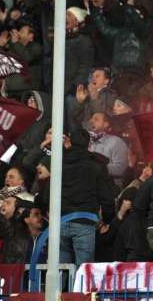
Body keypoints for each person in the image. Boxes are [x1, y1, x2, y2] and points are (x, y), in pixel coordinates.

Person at [60, 128, 115, 267]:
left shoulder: (59, 163)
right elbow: (106, 195)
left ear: (70, 142)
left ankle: (61, 289)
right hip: (85, 222)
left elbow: (47, 192)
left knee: (61, 271)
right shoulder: (96, 165)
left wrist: (44, 208)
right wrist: (108, 218)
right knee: (83, 271)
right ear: (88, 144)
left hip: (60, 221)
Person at [88, 112, 129, 187]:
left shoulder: (117, 142)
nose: (91, 121)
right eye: (91, 119)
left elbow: (121, 169)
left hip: (110, 188)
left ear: (106, 124)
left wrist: (97, 167)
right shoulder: (87, 141)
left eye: (96, 119)